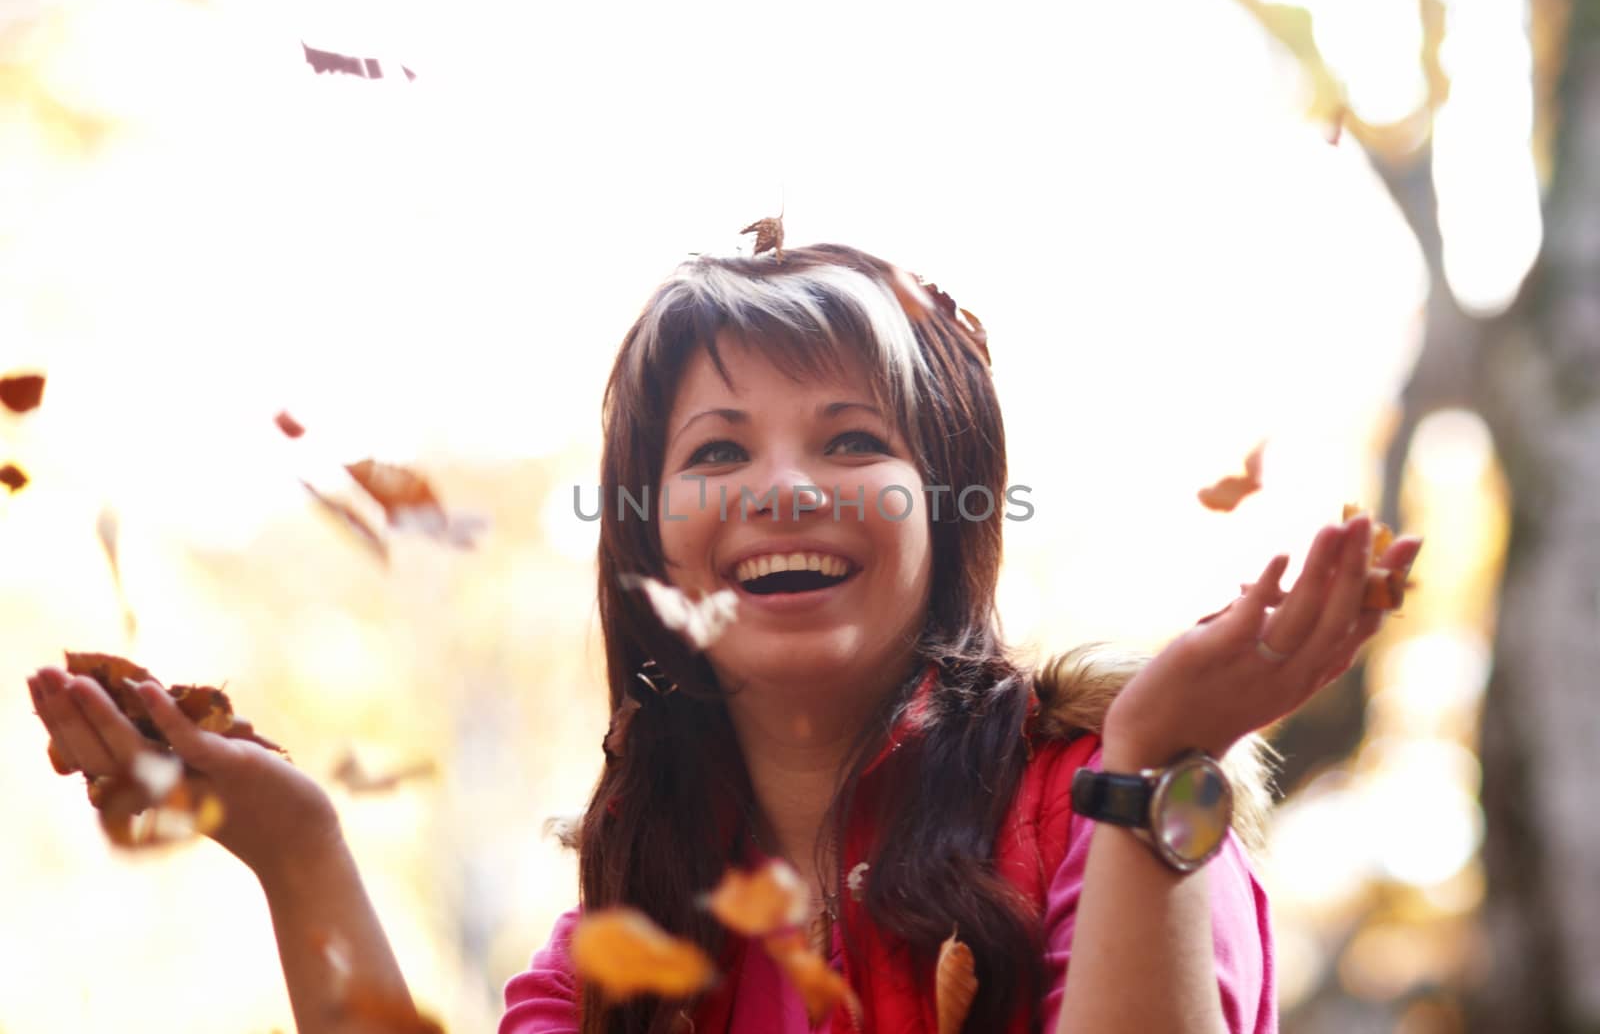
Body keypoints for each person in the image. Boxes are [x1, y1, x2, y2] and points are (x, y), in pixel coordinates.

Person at [25, 241, 1422, 1034]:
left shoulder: (1102, 813)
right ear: (649, 550)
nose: (784, 487)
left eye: (854, 440)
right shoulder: (631, 936)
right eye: (715, 450)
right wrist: (296, 847)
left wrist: (1157, 764)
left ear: (949, 519)